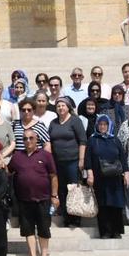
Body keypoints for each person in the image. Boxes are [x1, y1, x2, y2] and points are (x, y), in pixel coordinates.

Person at [8, 133, 58, 256]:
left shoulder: (46, 155)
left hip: (43, 199)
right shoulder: (17, 156)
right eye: (25, 138)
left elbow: (53, 176)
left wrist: (55, 196)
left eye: (31, 138)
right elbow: (8, 171)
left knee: (43, 228)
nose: (28, 141)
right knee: (28, 229)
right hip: (24, 200)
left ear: (37, 140)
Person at [86, 113, 129, 239]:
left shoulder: (115, 139)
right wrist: (90, 174)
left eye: (105, 124)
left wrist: (126, 173)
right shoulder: (93, 140)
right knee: (103, 205)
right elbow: (88, 159)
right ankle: (105, 231)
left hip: (115, 178)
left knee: (116, 204)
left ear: (109, 125)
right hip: (100, 178)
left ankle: (116, 231)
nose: (103, 127)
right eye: (100, 124)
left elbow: (123, 157)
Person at [47, 97, 87, 227]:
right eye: (58, 106)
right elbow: (50, 142)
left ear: (68, 107)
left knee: (73, 190)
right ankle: (66, 217)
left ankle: (75, 218)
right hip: (58, 162)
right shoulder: (53, 123)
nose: (60, 108)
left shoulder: (75, 121)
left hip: (73, 161)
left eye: (63, 105)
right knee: (62, 190)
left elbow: (82, 141)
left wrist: (81, 159)